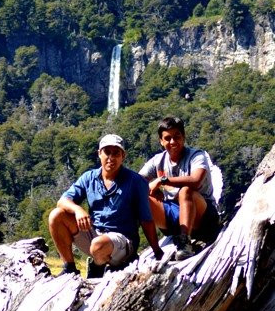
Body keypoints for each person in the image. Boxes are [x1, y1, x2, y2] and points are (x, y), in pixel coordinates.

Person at [48, 134, 163, 278]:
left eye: (116, 153)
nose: (111, 157)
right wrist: (78, 209)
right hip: (95, 233)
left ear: (123, 156)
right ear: (99, 154)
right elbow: (62, 201)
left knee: (98, 245)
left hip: (122, 240)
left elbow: (146, 220)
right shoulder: (89, 178)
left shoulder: (136, 181)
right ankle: (69, 268)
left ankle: (98, 267)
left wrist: (157, 251)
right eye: (107, 152)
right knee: (56, 216)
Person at [139, 116, 221, 259]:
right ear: (161, 141)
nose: (173, 142)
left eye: (177, 137)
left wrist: (162, 180)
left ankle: (185, 244)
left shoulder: (197, 156)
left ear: (183, 137)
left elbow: (195, 181)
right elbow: (136, 183)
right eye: (167, 138)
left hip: (203, 217)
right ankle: (136, 245)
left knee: (186, 190)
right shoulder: (158, 160)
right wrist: (150, 189)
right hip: (174, 215)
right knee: (139, 196)